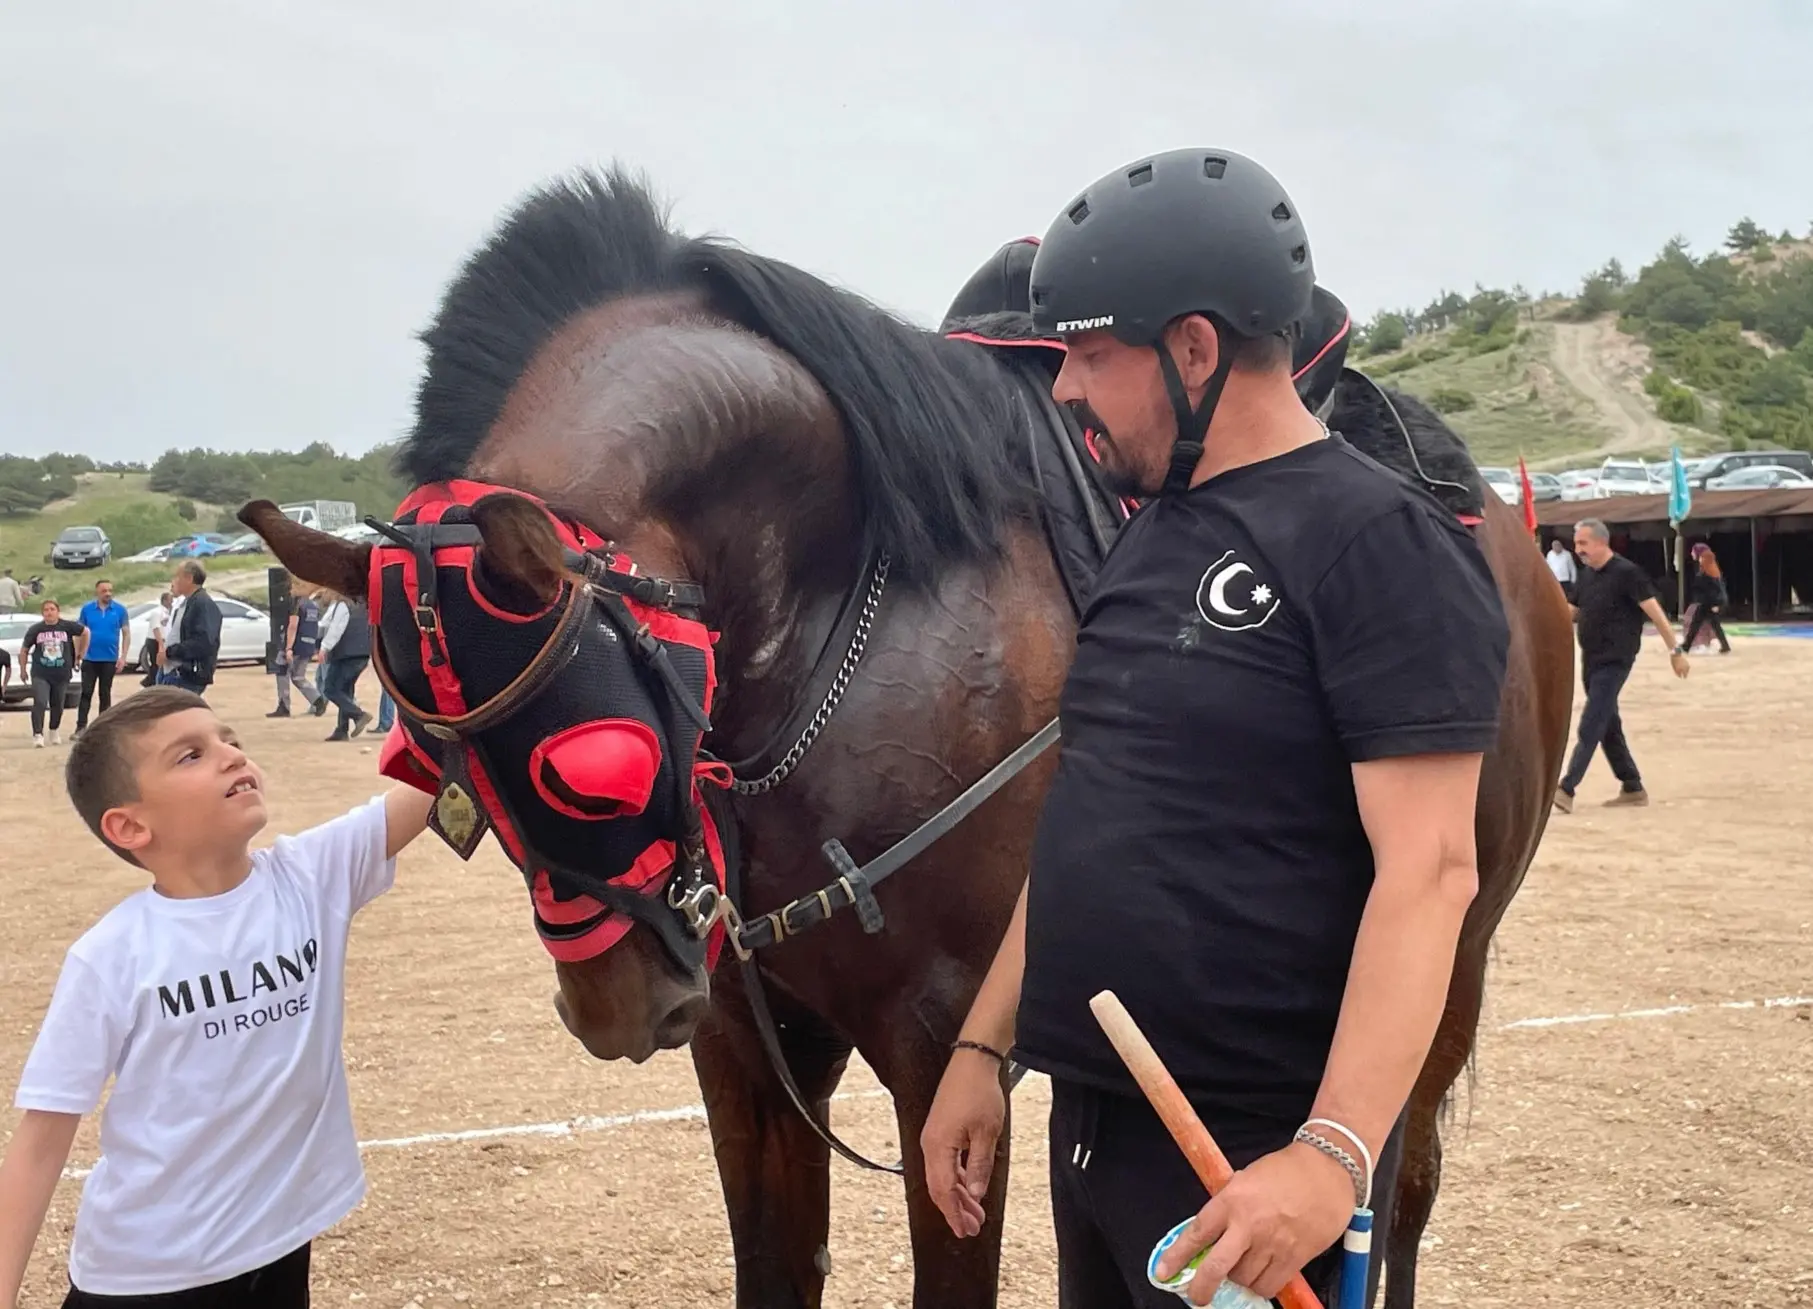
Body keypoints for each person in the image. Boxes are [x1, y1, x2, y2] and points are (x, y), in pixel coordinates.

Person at [919, 148, 1510, 1309]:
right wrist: (982, 1053)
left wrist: (1327, 1158)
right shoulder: (1152, 533)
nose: (1065, 390)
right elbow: (1091, 817)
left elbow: (1431, 872)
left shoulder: (1381, 546)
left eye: (1091, 353)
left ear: (1192, 349)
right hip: (1100, 1126)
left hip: (1250, 1157)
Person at [0, 687, 434, 1308]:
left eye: (231, 740)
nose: (232, 756)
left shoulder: (310, 877)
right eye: (190, 755)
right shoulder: (113, 956)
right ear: (129, 825)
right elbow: (42, 1140)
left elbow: (432, 778)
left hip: (277, 1248)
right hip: (149, 1276)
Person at [1553, 518, 1689, 814]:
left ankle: (1566, 788)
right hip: (1590, 659)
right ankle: (1632, 785)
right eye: (1576, 544)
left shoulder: (1628, 573)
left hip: (1615, 661)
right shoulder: (1587, 576)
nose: (1578, 550)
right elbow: (1571, 612)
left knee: (1591, 723)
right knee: (1608, 724)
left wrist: (1675, 650)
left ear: (1602, 542)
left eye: (1583, 544)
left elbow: (1655, 613)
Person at [19, 599, 86, 749]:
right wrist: (23, 669)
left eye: (52, 609)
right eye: (46, 610)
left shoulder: (67, 626)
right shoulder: (36, 629)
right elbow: (24, 650)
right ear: (42, 613)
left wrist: (80, 653)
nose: (49, 612)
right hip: (40, 672)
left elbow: (85, 632)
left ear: (58, 611)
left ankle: (54, 729)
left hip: (61, 672)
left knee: (58, 704)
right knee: (41, 702)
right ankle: (38, 734)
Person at [75, 580, 132, 734]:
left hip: (109, 658)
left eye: (110, 590)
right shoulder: (87, 609)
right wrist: (77, 654)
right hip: (89, 658)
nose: (108, 593)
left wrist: (123, 657)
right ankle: (81, 727)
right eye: (104, 591)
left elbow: (126, 633)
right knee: (86, 692)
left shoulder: (119, 610)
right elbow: (79, 633)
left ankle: (103, 728)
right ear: (97, 592)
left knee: (105, 693)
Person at [314, 594, 372, 742]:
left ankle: (359, 715)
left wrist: (324, 647)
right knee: (345, 691)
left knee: (330, 689)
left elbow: (335, 628)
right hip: (363, 653)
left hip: (345, 654)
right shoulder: (364, 604)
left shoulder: (342, 604)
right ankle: (341, 729)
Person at [161, 562, 221, 696]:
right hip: (175, 672)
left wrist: (170, 652)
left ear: (189, 578)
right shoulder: (188, 603)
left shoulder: (202, 604)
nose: (175, 580)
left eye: (178, 576)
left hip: (187, 674)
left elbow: (203, 643)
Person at [269, 586, 323, 719]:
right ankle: (317, 699)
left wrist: (288, 648)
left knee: (282, 670)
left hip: (295, 644)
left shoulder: (296, 604)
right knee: (298, 676)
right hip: (308, 644)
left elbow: (293, 626)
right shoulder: (313, 606)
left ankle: (284, 705)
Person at [1682, 542, 1731, 654]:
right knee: (1706, 624)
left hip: (1711, 602)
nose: (1691, 554)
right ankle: (1686, 646)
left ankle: (1686, 646)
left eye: (1693, 551)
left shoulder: (1708, 566)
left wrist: (1716, 604)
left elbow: (1716, 587)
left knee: (1699, 623)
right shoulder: (1705, 564)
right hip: (1707, 602)